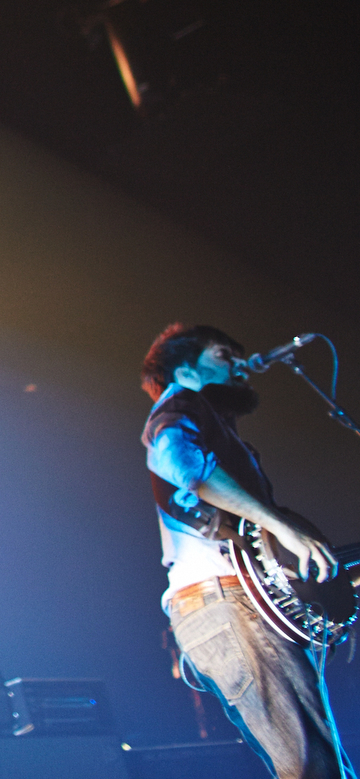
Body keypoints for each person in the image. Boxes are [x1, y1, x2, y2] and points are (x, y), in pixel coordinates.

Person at [140, 323, 341, 779]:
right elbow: (186, 469)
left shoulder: (216, 427)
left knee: (323, 764)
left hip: (236, 602)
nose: (238, 364)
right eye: (222, 354)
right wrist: (280, 526)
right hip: (225, 600)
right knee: (313, 767)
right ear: (185, 368)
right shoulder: (176, 409)